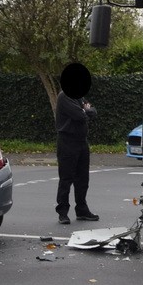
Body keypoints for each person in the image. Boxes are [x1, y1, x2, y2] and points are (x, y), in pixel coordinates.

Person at [54, 89, 99, 224]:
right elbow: (79, 115)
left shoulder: (79, 96)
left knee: (83, 179)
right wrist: (85, 110)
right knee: (66, 178)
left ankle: (82, 209)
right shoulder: (65, 96)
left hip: (82, 141)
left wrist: (86, 110)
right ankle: (62, 212)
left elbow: (93, 111)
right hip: (67, 141)